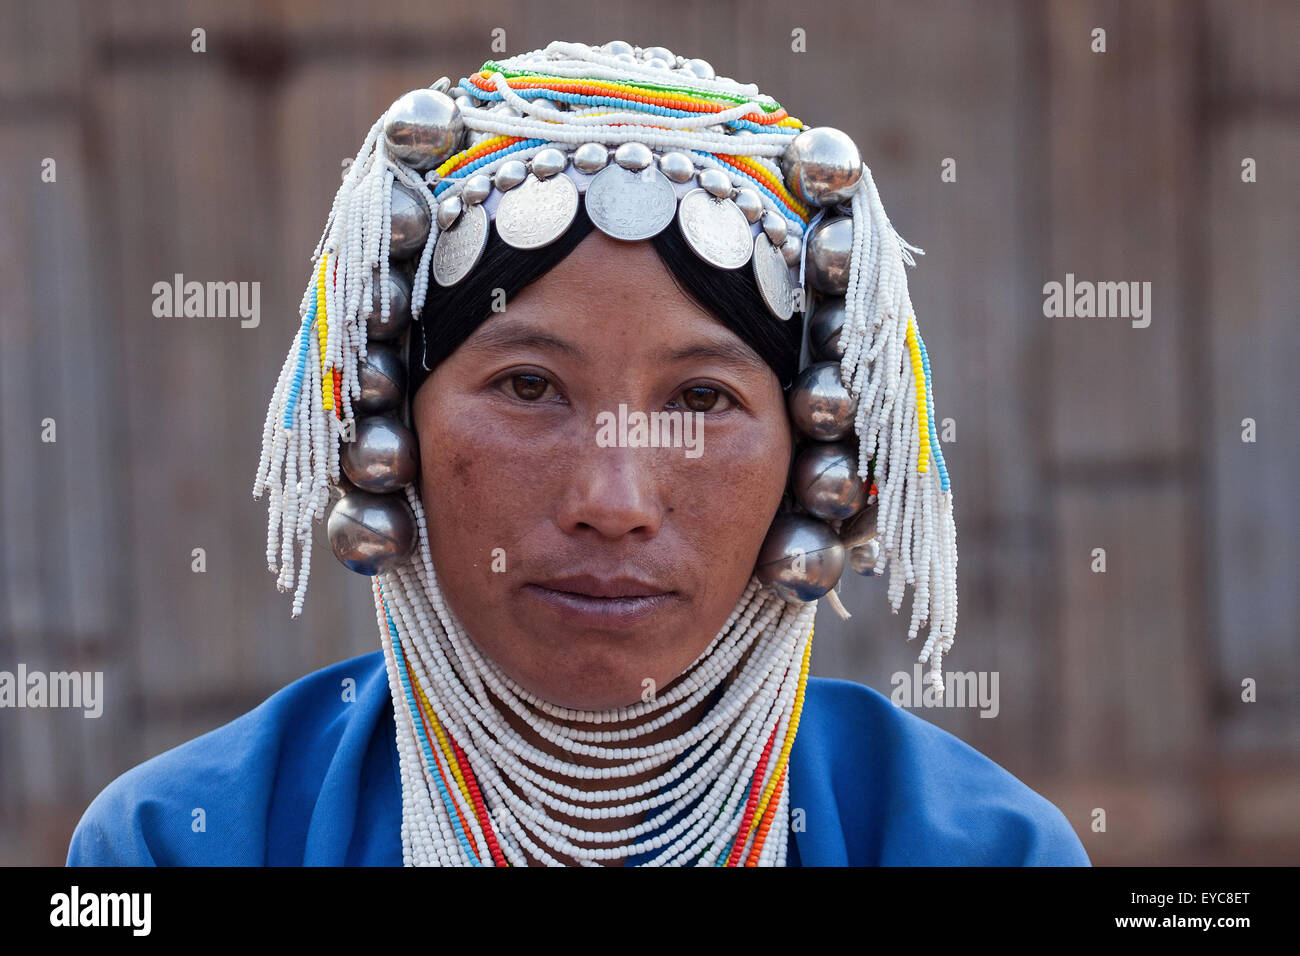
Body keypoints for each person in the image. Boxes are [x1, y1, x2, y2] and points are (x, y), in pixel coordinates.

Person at [67, 40, 1089, 866]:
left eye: (699, 398)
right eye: (528, 387)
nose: (614, 497)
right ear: (391, 419)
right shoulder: (186, 843)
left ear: (809, 449)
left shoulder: (971, 847)